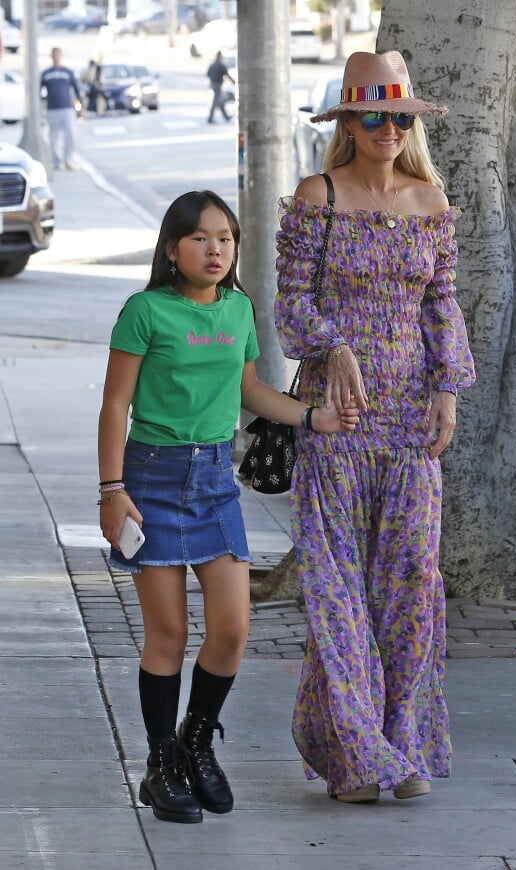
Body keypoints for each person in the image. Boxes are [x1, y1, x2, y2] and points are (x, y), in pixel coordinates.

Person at [97, 190, 359, 825]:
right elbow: (114, 406)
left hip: (215, 481)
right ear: (171, 249)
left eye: (226, 239)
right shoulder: (145, 312)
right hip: (152, 479)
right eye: (200, 238)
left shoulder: (240, 310)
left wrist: (312, 417)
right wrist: (111, 493)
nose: (215, 250)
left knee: (233, 629)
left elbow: (248, 390)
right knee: (168, 634)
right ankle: (161, 765)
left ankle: (195, 740)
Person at [274, 51, 476, 804]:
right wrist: (336, 345)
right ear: (348, 122)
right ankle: (354, 752)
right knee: (336, 590)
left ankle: (406, 741)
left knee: (413, 583)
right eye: (371, 115)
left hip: (411, 426)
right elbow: (290, 300)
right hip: (338, 421)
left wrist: (448, 392)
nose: (386, 129)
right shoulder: (318, 194)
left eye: (398, 116)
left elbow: (441, 306)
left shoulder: (430, 200)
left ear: (410, 123)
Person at [40, 47, 83, 170]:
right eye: (54, 54)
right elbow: (39, 91)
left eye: (58, 54)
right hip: (52, 109)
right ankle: (57, 162)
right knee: (54, 137)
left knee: (70, 134)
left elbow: (77, 90)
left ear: (61, 56)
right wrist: (40, 106)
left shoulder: (68, 72)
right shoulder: (46, 74)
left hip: (67, 108)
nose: (56, 57)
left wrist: (80, 107)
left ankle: (69, 160)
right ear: (51, 56)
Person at [206, 50, 234, 124]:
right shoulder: (221, 65)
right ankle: (210, 118)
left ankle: (226, 117)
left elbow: (208, 74)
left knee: (220, 101)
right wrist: (233, 82)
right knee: (216, 102)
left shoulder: (212, 64)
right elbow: (227, 75)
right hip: (217, 85)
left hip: (212, 84)